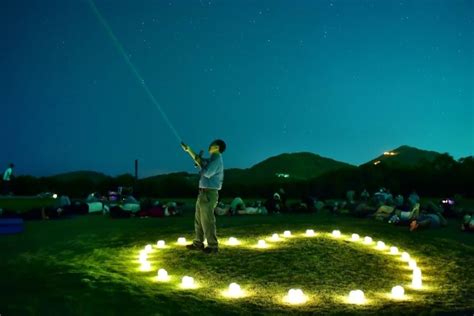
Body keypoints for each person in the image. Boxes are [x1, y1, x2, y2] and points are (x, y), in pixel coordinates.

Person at [181, 139, 226, 254]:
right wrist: (189, 150)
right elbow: (199, 159)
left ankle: (213, 246)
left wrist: (200, 165)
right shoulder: (212, 159)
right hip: (203, 193)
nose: (210, 145)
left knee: (207, 220)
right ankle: (198, 243)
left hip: (209, 193)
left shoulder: (216, 159)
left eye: (213, 144)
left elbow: (207, 173)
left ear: (217, 147)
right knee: (198, 220)